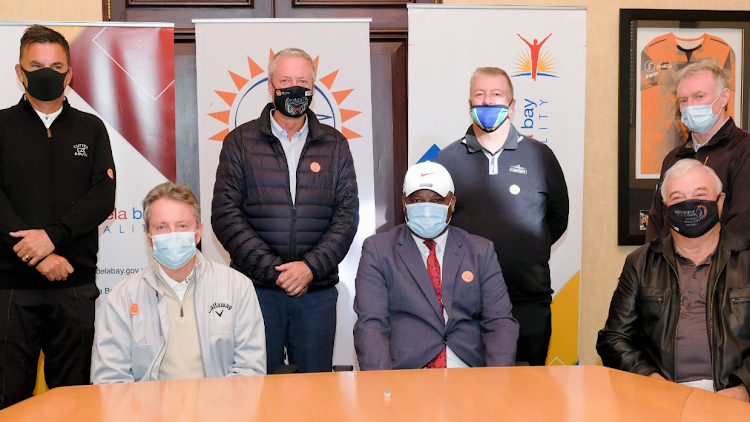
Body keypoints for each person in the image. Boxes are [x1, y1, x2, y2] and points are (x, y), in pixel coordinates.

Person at [212, 48, 359, 374]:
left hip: (316, 294)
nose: (295, 89)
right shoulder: (239, 141)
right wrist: (277, 272)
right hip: (257, 292)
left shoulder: (335, 145)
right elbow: (225, 214)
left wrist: (308, 268)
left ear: (314, 87)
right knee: (256, 391)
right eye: (286, 81)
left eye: (302, 81)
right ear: (270, 86)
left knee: (315, 394)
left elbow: (346, 216)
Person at [0, 25, 115, 408]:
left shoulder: (92, 128)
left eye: (55, 65)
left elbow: (102, 196)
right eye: (35, 65)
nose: (45, 73)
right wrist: (38, 253)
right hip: (11, 288)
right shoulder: (0, 126)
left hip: (74, 285)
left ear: (69, 73)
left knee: (74, 401)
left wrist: (52, 237)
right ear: (19, 72)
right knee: (9, 398)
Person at [435, 67, 569, 366]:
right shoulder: (447, 159)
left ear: (512, 105)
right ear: (469, 103)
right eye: (480, 95)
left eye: (496, 94)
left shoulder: (540, 156)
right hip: (467, 304)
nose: (487, 101)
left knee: (527, 397)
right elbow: (438, 225)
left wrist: (526, 247)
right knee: (470, 401)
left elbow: (558, 219)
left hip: (528, 299)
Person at [598, 159, 750, 402]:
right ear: (665, 205)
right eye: (678, 198)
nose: (689, 204)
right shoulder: (640, 262)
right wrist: (651, 381)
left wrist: (744, 390)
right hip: (661, 398)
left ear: (720, 202)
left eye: (700, 194)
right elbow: (614, 340)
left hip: (736, 398)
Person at [92, 182, 266, 383]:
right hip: (150, 413)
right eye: (161, 227)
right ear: (149, 236)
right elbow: (110, 379)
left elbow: (250, 369)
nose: (173, 235)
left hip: (219, 410)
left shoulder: (237, 287)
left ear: (198, 233)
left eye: (182, 226)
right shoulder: (122, 298)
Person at [353, 162, 518, 370]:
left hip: (469, 374)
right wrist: (383, 387)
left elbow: (499, 322)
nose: (427, 207)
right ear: (404, 203)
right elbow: (371, 325)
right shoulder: (379, 250)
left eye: (438, 200)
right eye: (417, 200)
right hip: (407, 374)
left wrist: (497, 385)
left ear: (452, 203)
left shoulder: (480, 251)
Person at [646, 59, 750, 242]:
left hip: (727, 268)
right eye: (684, 100)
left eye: (699, 96)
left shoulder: (745, 149)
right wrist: (653, 267)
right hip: (671, 268)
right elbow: (657, 222)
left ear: (724, 97)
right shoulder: (673, 158)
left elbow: (742, 223)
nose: (690, 106)